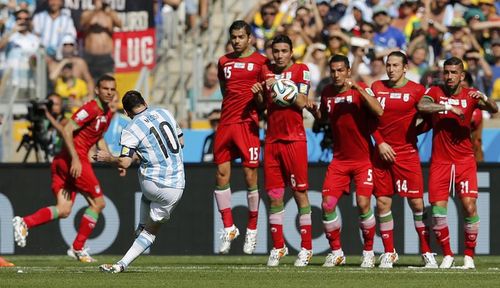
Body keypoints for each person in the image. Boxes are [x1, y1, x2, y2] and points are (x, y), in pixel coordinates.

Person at [12, 75, 118, 262]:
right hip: (74, 160)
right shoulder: (91, 108)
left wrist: (110, 159)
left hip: (63, 161)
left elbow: (98, 137)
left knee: (64, 209)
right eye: (105, 89)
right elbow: (67, 129)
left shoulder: (108, 113)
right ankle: (78, 247)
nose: (109, 93)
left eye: (112, 90)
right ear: (97, 90)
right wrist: (76, 159)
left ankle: (24, 222)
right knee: (99, 203)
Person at [417, 57, 498, 269]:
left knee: (469, 207)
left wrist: (484, 97)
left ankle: (469, 256)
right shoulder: (435, 92)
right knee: (437, 210)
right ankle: (448, 255)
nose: (450, 76)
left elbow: (493, 109)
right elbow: (422, 105)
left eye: (454, 73)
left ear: (462, 76)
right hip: (440, 161)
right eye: (447, 72)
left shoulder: (470, 96)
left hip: (464, 160)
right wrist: (446, 108)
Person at [95, 90, 185, 273]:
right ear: (145, 102)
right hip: (176, 186)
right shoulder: (164, 112)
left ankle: (141, 229)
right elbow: (181, 142)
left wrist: (108, 158)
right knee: (150, 232)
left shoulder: (130, 129)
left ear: (126, 113)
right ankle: (122, 263)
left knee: (146, 189)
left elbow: (125, 162)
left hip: (151, 185)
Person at [311, 54, 383, 268]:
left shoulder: (359, 89)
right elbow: (323, 118)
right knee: (327, 204)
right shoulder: (326, 93)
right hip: (339, 161)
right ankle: (336, 252)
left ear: (348, 71)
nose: (336, 74)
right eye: (333, 70)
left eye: (340, 70)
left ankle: (368, 252)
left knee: (363, 204)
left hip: (363, 160)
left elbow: (379, 110)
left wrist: (359, 88)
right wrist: (314, 113)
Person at [251, 34, 315, 267]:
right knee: (274, 195)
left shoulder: (301, 70)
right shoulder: (264, 71)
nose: (279, 55)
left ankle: (306, 248)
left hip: (295, 140)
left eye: (283, 51)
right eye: (275, 51)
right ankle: (278, 247)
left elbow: (302, 102)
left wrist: (279, 85)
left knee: (299, 193)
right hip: (272, 141)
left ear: (291, 52)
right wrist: (259, 91)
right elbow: (260, 106)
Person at [371, 51, 437, 269]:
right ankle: (389, 252)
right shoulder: (377, 87)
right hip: (381, 154)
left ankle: (427, 252)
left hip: (406, 154)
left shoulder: (417, 90)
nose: (391, 69)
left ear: (405, 67)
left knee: (417, 203)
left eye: (395, 65)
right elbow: (369, 120)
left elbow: (429, 119)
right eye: (388, 65)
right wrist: (380, 142)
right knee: (382, 203)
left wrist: (412, 134)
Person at [214, 20, 268, 254]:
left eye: (240, 37)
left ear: (250, 38)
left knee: (249, 176)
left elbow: (265, 104)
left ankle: (253, 230)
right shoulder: (223, 62)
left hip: (248, 125)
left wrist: (257, 99)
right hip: (226, 123)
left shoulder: (261, 62)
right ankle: (229, 227)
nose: (236, 41)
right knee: (221, 175)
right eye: (233, 37)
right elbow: (225, 90)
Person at [0, 9, 41, 101]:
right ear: (15, 20)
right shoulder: (10, 37)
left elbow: (37, 62)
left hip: (28, 83)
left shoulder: (35, 39)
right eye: (19, 18)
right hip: (10, 83)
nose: (23, 21)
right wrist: (11, 32)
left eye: (26, 19)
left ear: (30, 21)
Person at [80, 0, 122, 80]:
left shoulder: (110, 14)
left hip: (105, 58)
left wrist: (109, 12)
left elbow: (120, 24)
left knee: (108, 84)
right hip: (90, 58)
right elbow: (82, 24)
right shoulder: (87, 13)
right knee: (91, 85)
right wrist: (95, 10)